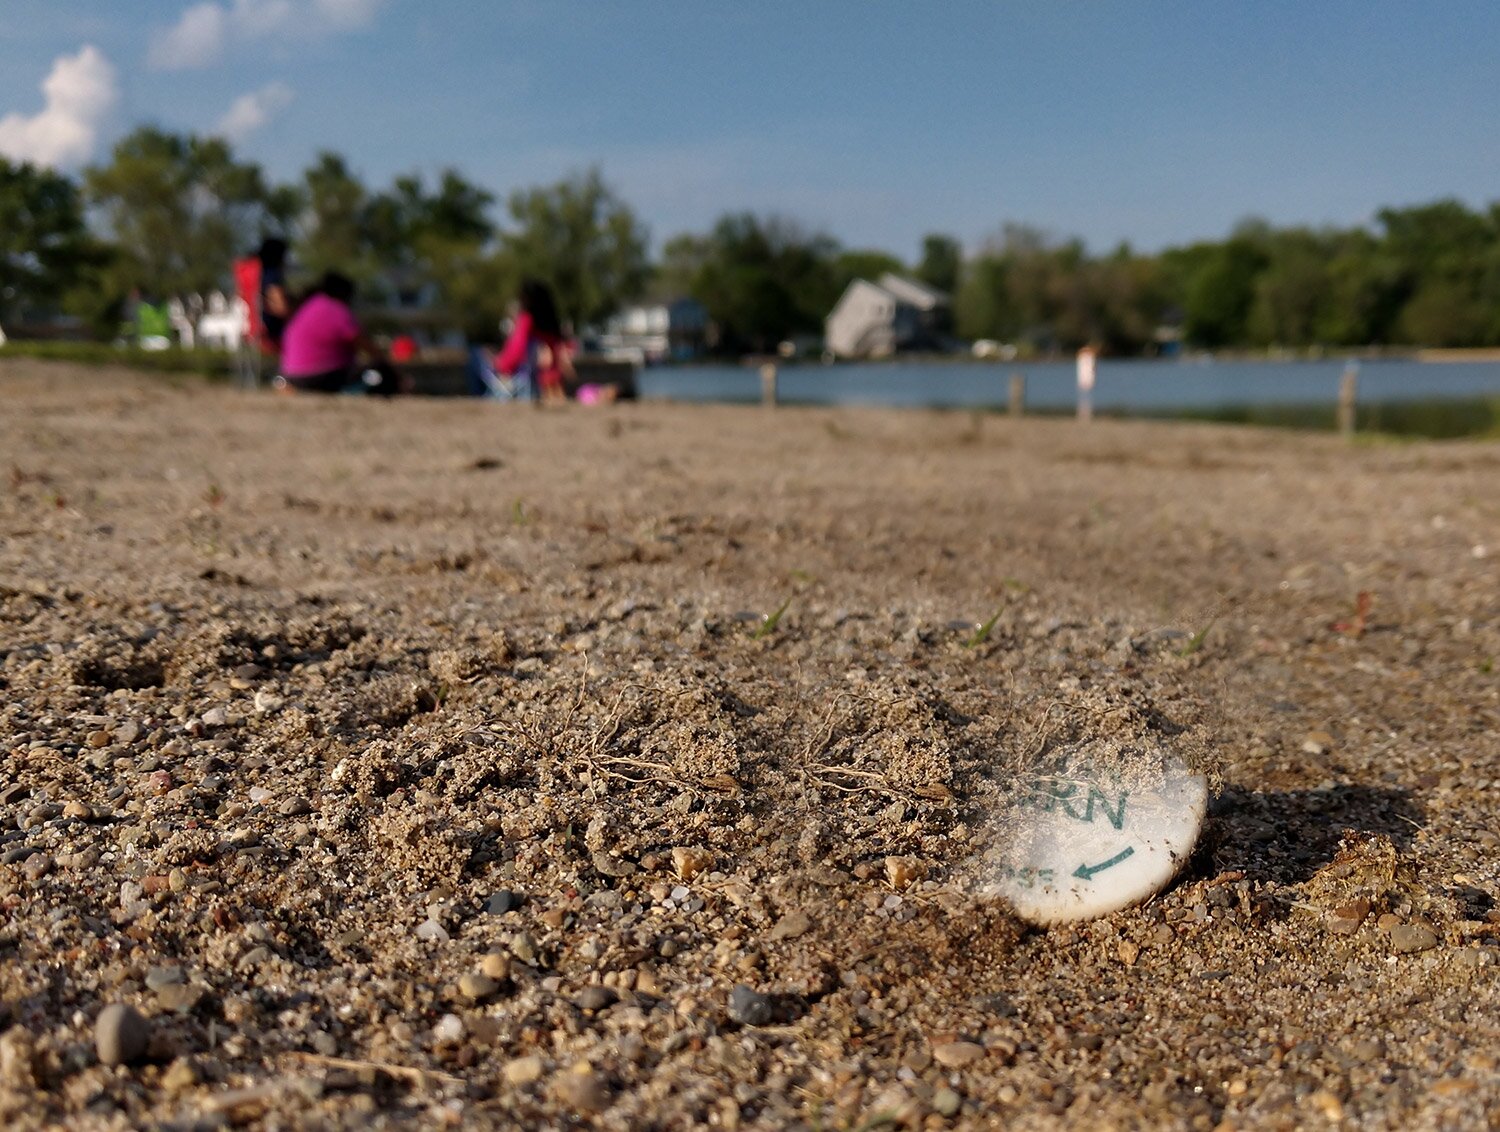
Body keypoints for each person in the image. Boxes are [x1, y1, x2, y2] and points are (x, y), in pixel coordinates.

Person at [277, 271, 398, 395]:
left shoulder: (307, 306)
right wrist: (387, 364)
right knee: (380, 372)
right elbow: (364, 344)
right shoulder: (335, 308)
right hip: (321, 376)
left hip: (292, 376)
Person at [495, 278, 574, 403]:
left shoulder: (527, 320)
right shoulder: (552, 326)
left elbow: (516, 350)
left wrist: (501, 365)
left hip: (530, 377)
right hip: (551, 376)